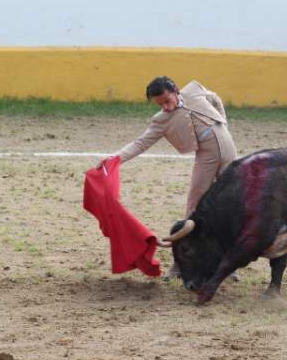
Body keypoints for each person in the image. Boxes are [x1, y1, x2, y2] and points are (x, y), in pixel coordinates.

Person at [99, 76, 238, 278]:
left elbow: (215, 99)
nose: (165, 107)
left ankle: (226, 263)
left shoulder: (194, 90)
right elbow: (140, 143)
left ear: (175, 91)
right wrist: (115, 158)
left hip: (229, 148)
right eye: (160, 104)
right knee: (194, 208)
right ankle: (180, 263)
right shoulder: (161, 120)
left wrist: (222, 122)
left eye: (167, 101)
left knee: (231, 206)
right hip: (206, 157)